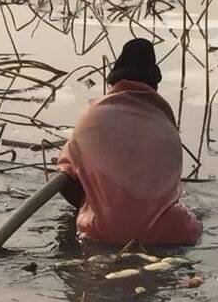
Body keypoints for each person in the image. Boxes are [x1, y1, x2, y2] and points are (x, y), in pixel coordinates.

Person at [56, 38, 202, 246]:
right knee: (194, 221)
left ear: (113, 81)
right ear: (154, 84)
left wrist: (91, 201)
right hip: (168, 235)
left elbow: (66, 180)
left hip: (99, 232)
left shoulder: (91, 117)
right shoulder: (165, 125)